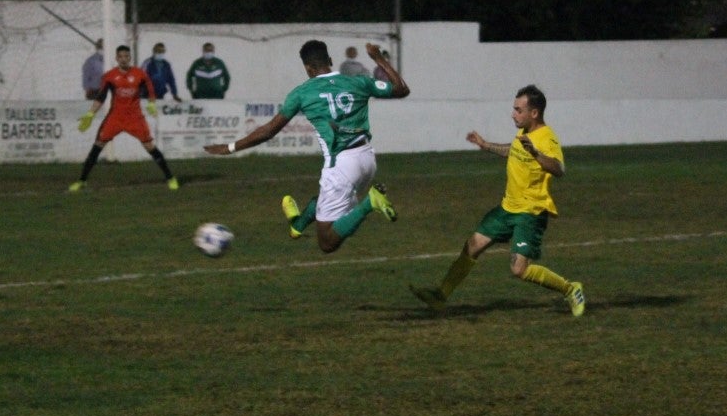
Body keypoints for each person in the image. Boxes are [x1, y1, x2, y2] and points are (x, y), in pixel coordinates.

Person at [204, 40, 410, 253]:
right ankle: (298, 225)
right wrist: (378, 58)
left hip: (341, 164)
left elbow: (268, 131)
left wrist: (229, 147)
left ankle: (370, 203)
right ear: (330, 61)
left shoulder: (302, 93)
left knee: (328, 242)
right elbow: (402, 89)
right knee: (335, 213)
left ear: (308, 68)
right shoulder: (358, 81)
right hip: (367, 158)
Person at [412, 85, 585, 316]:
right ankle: (440, 295)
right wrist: (486, 145)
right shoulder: (524, 133)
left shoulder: (546, 137)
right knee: (472, 245)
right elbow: (513, 150)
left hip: (530, 212)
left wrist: (536, 153)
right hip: (507, 208)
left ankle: (570, 289)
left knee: (518, 269)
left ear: (534, 113)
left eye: (518, 110)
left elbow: (559, 168)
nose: (513, 114)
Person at [69, 44, 179, 192]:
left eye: (126, 56)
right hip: (115, 118)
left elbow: (150, 88)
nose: (123, 59)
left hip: (135, 118)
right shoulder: (109, 76)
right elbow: (101, 97)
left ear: (130, 58)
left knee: (150, 147)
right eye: (120, 57)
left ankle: (170, 178)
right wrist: (90, 114)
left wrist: (152, 103)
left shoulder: (140, 74)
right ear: (116, 58)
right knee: (98, 145)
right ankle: (81, 181)